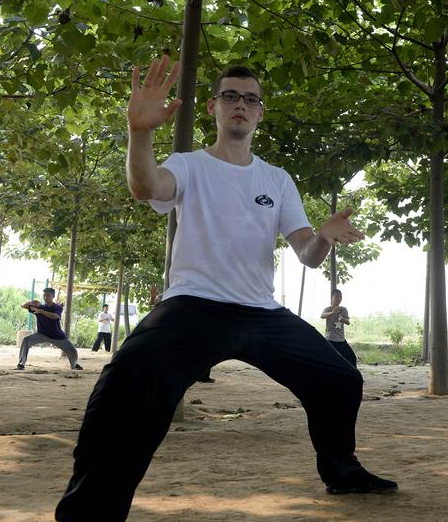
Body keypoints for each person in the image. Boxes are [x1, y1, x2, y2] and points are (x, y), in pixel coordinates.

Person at [55, 56, 396, 521]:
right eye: (231, 96)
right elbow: (144, 186)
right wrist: (139, 132)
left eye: (250, 99)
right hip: (193, 307)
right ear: (214, 107)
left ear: (259, 113)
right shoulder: (189, 165)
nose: (241, 105)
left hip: (261, 313)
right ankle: (90, 510)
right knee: (130, 379)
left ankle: (342, 471)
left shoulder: (276, 179)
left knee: (340, 379)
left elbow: (307, 255)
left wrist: (324, 236)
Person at [17, 288, 82, 371]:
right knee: (26, 340)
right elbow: (23, 306)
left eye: (48, 295)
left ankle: (74, 365)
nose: (45, 297)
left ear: (53, 296)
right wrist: (32, 302)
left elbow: (55, 316)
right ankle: (21, 364)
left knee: (72, 350)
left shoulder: (57, 307)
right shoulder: (39, 307)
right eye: (44, 295)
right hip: (42, 334)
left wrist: (41, 311)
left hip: (57, 336)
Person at [321, 289, 356, 367]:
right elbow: (322, 316)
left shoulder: (344, 310)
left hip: (341, 340)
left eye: (340, 297)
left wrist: (343, 320)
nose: (339, 299)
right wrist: (332, 312)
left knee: (352, 358)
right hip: (330, 340)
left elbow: (348, 322)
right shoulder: (327, 309)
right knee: (330, 360)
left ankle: (354, 376)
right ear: (332, 298)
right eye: (336, 297)